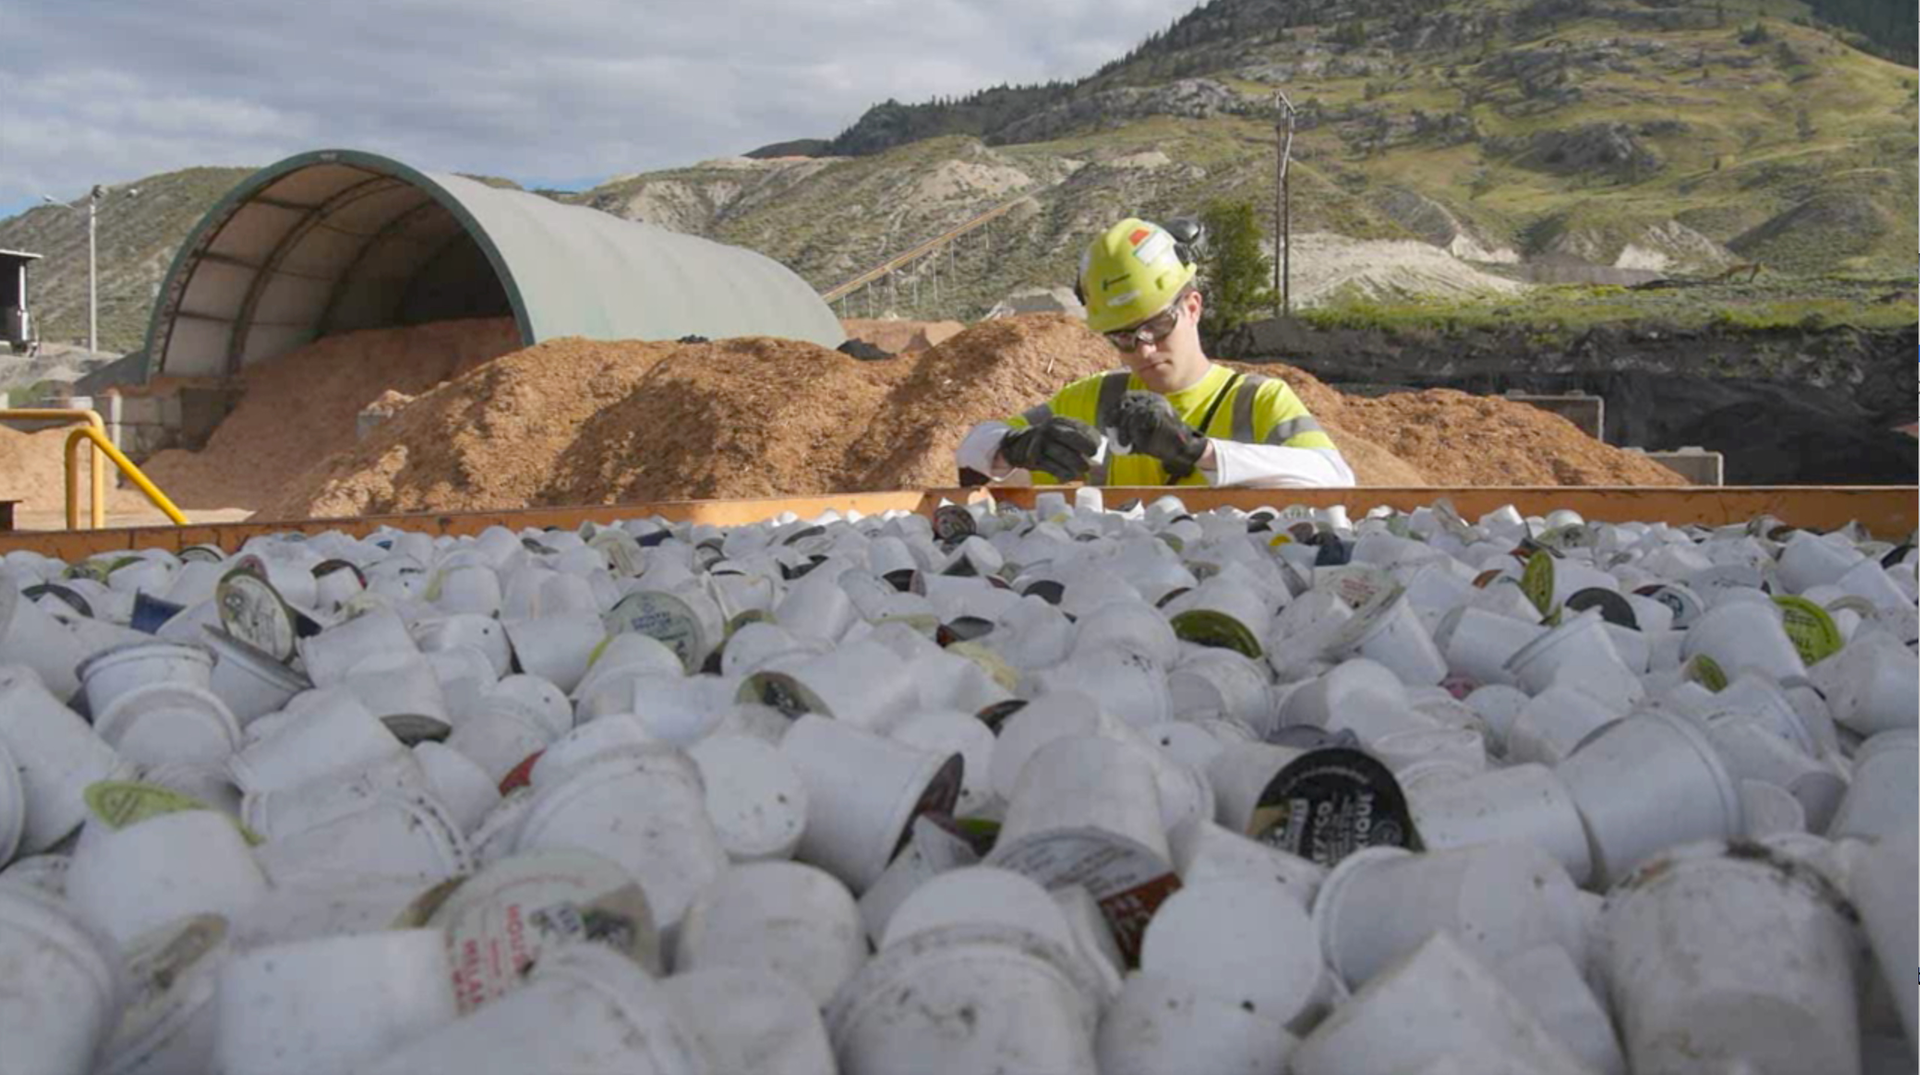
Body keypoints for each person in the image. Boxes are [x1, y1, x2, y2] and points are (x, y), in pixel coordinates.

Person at [956, 217, 1355, 489]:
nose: (1143, 348)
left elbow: (1335, 478)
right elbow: (973, 449)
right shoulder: (1093, 400)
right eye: (1122, 337)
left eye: (1157, 327)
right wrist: (1014, 447)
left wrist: (1198, 450)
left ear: (1193, 307)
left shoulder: (1256, 401)